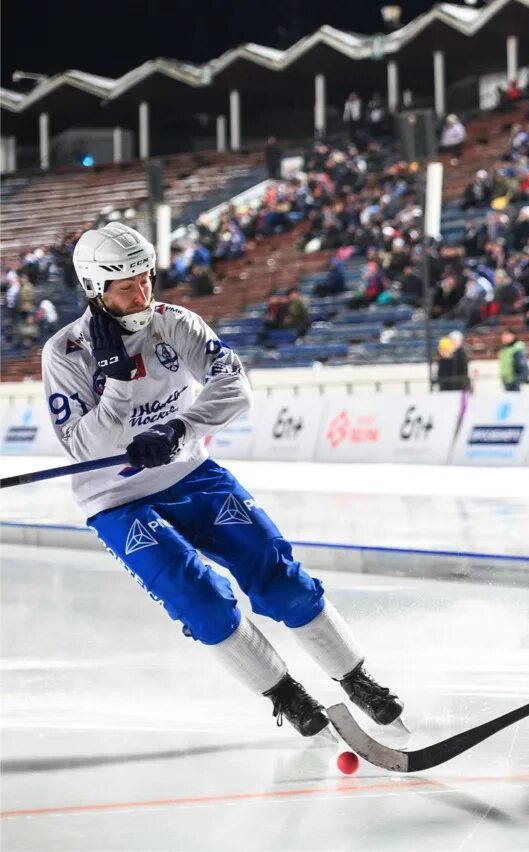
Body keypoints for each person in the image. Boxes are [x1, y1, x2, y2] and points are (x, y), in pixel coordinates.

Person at [40, 223, 403, 737]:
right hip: (116, 499)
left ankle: (356, 678)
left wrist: (180, 428)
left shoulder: (176, 323)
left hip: (191, 472)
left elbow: (235, 386)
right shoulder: (65, 353)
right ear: (95, 290)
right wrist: (118, 383)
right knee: (200, 599)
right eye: (127, 286)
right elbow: (82, 447)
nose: (143, 293)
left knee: (280, 577)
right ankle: (286, 693)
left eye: (147, 279)